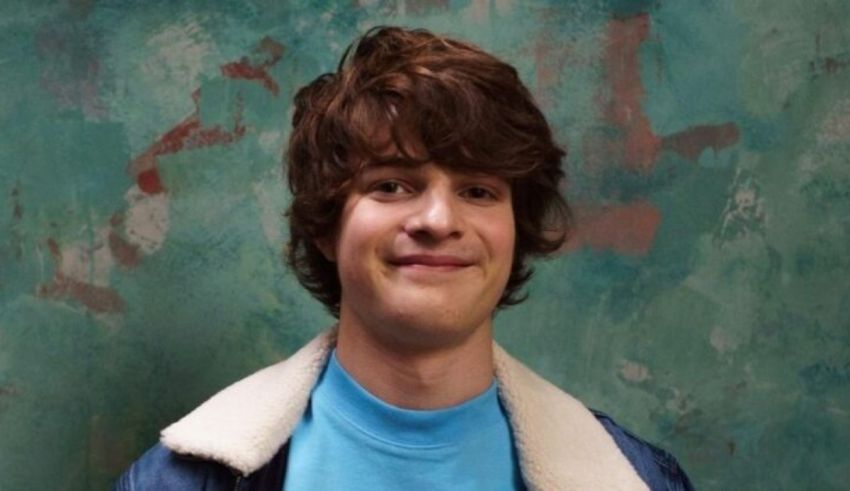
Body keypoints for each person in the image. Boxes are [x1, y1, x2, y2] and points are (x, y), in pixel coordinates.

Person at [115, 26, 693, 490]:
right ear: (325, 226)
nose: (438, 221)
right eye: (391, 185)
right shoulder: (178, 481)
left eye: (477, 191)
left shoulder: (639, 480)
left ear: (515, 230)